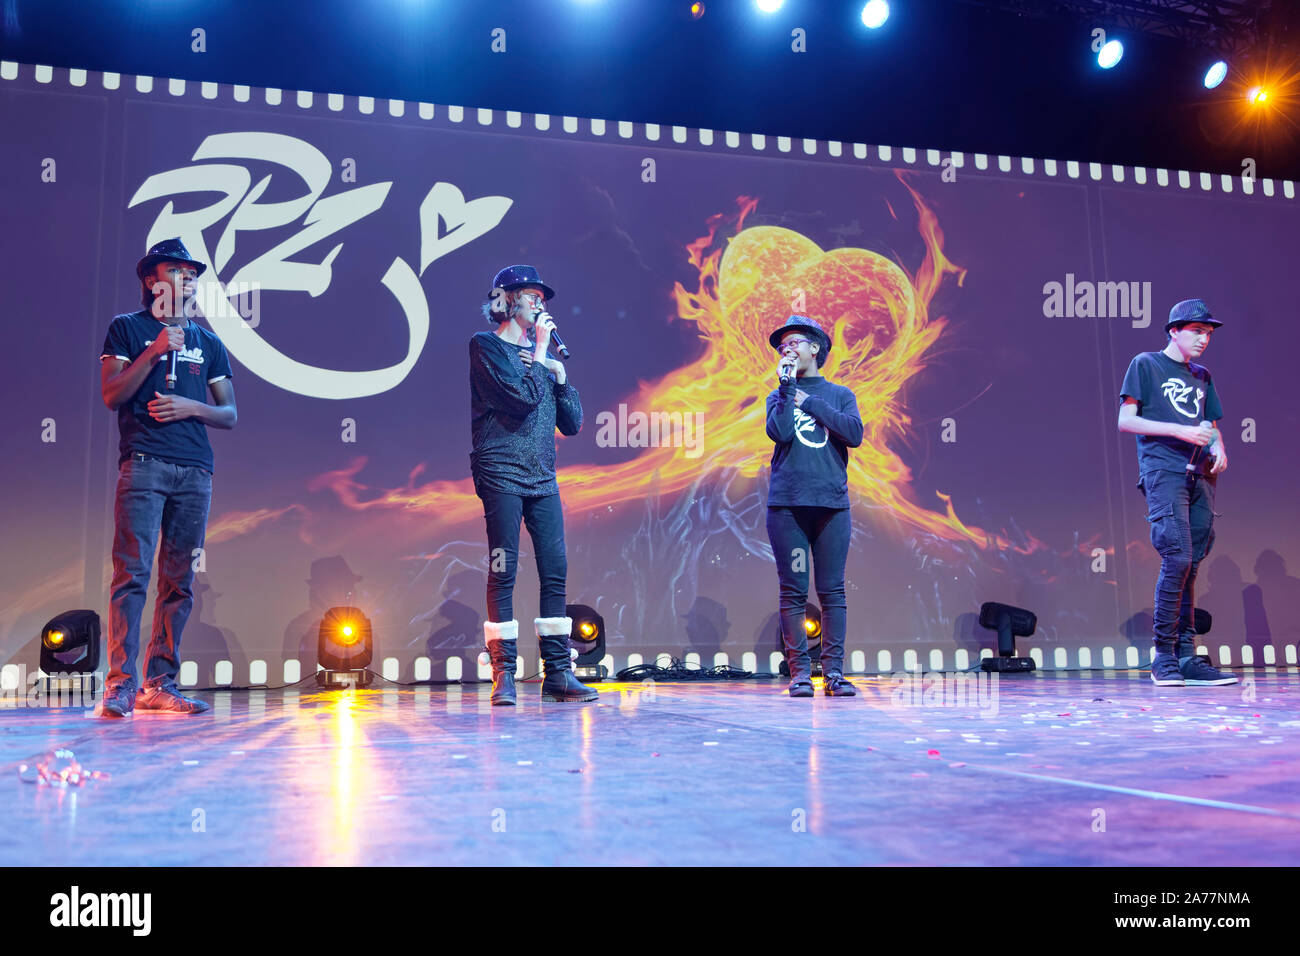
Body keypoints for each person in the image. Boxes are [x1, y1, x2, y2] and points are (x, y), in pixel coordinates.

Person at [97, 238, 238, 717]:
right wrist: (155, 351)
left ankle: (160, 683)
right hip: (144, 464)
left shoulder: (209, 342)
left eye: (193, 273)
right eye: (178, 270)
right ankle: (120, 683)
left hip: (195, 472)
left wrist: (192, 407)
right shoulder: (127, 329)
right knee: (132, 574)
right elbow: (112, 394)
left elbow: (230, 413)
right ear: (151, 279)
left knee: (179, 582)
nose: (188, 278)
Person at [468, 265, 597, 705]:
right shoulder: (485, 347)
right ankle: (504, 674)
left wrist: (561, 380)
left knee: (554, 571)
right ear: (505, 300)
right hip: (500, 470)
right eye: (530, 295)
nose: (539, 304)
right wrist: (541, 355)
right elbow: (519, 400)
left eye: (543, 297)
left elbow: (574, 424)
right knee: (504, 569)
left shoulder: (542, 360)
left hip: (543, 477)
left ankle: (558, 674)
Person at [1119, 298, 1235, 686]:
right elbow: (1126, 421)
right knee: (1178, 556)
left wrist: (1219, 447)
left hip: (1200, 475)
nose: (1204, 340)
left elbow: (1212, 424)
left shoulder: (1203, 376)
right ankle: (1163, 656)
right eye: (1197, 332)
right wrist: (1179, 431)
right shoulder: (1146, 364)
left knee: (1193, 563)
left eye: (1209, 334)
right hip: (1164, 471)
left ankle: (1187, 656)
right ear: (1174, 331)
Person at [764, 315, 864, 697]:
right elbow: (781, 432)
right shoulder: (778, 395)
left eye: (793, 344)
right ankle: (800, 674)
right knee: (793, 590)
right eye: (781, 347)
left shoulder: (840, 394)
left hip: (831, 506)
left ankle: (834, 673)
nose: (786, 350)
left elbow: (853, 433)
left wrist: (811, 402)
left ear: (815, 348)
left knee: (832, 590)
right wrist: (788, 391)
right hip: (788, 506)